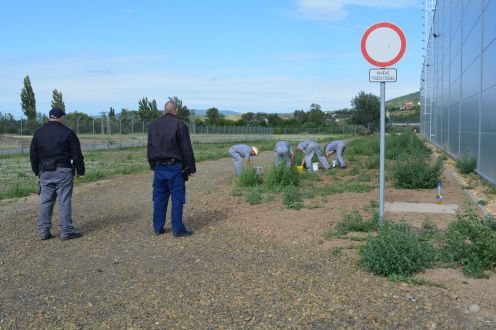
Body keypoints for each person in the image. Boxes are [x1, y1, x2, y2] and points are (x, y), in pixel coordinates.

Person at [29, 108, 85, 241]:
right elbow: (76, 153)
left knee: (46, 201)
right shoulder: (68, 132)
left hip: (45, 171)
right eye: (63, 117)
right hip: (63, 170)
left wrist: (37, 171)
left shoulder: (39, 133)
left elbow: (33, 155)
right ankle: (66, 231)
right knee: (64, 201)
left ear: (50, 117)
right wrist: (80, 171)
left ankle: (44, 231)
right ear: (60, 117)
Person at [147, 98, 196, 237]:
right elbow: (186, 148)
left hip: (159, 168)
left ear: (164, 110)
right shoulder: (180, 124)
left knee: (159, 198)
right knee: (177, 198)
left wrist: (153, 166)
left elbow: (150, 147)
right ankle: (177, 229)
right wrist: (191, 168)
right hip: (174, 167)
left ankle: (158, 228)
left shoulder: (153, 125)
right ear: (176, 110)